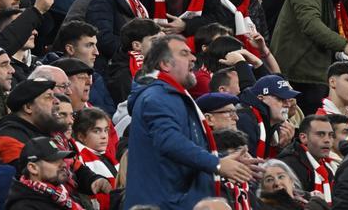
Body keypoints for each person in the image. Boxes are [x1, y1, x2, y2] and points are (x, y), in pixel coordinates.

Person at [125, 34, 258, 210]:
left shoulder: (171, 96)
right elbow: (169, 141)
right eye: (184, 53)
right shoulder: (157, 97)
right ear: (165, 64)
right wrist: (217, 164)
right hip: (164, 204)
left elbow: (183, 151)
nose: (193, 57)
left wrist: (224, 160)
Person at [4, 136, 79, 209]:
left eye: (62, 159)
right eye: (54, 160)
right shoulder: (23, 207)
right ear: (33, 168)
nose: (64, 164)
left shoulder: (61, 195)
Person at [236, 74, 300, 159]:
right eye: (281, 99)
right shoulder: (245, 120)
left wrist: (283, 148)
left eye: (288, 99)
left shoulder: (275, 125)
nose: (288, 104)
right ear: (261, 98)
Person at [276, 115, 335, 203]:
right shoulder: (289, 165)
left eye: (330, 135)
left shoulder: (328, 169)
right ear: (303, 138)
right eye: (321, 134)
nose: (327, 140)